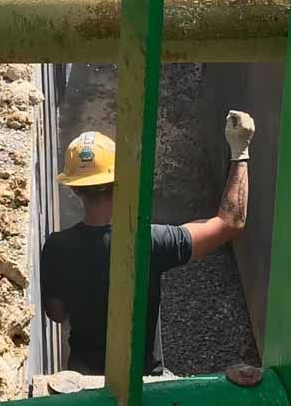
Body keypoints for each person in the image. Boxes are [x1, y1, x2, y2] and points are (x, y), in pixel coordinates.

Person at [41, 112, 253, 377]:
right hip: (141, 381)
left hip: (83, 379)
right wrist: (240, 151)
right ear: (120, 181)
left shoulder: (56, 248)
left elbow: (57, 314)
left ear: (74, 189)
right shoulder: (147, 241)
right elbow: (230, 223)